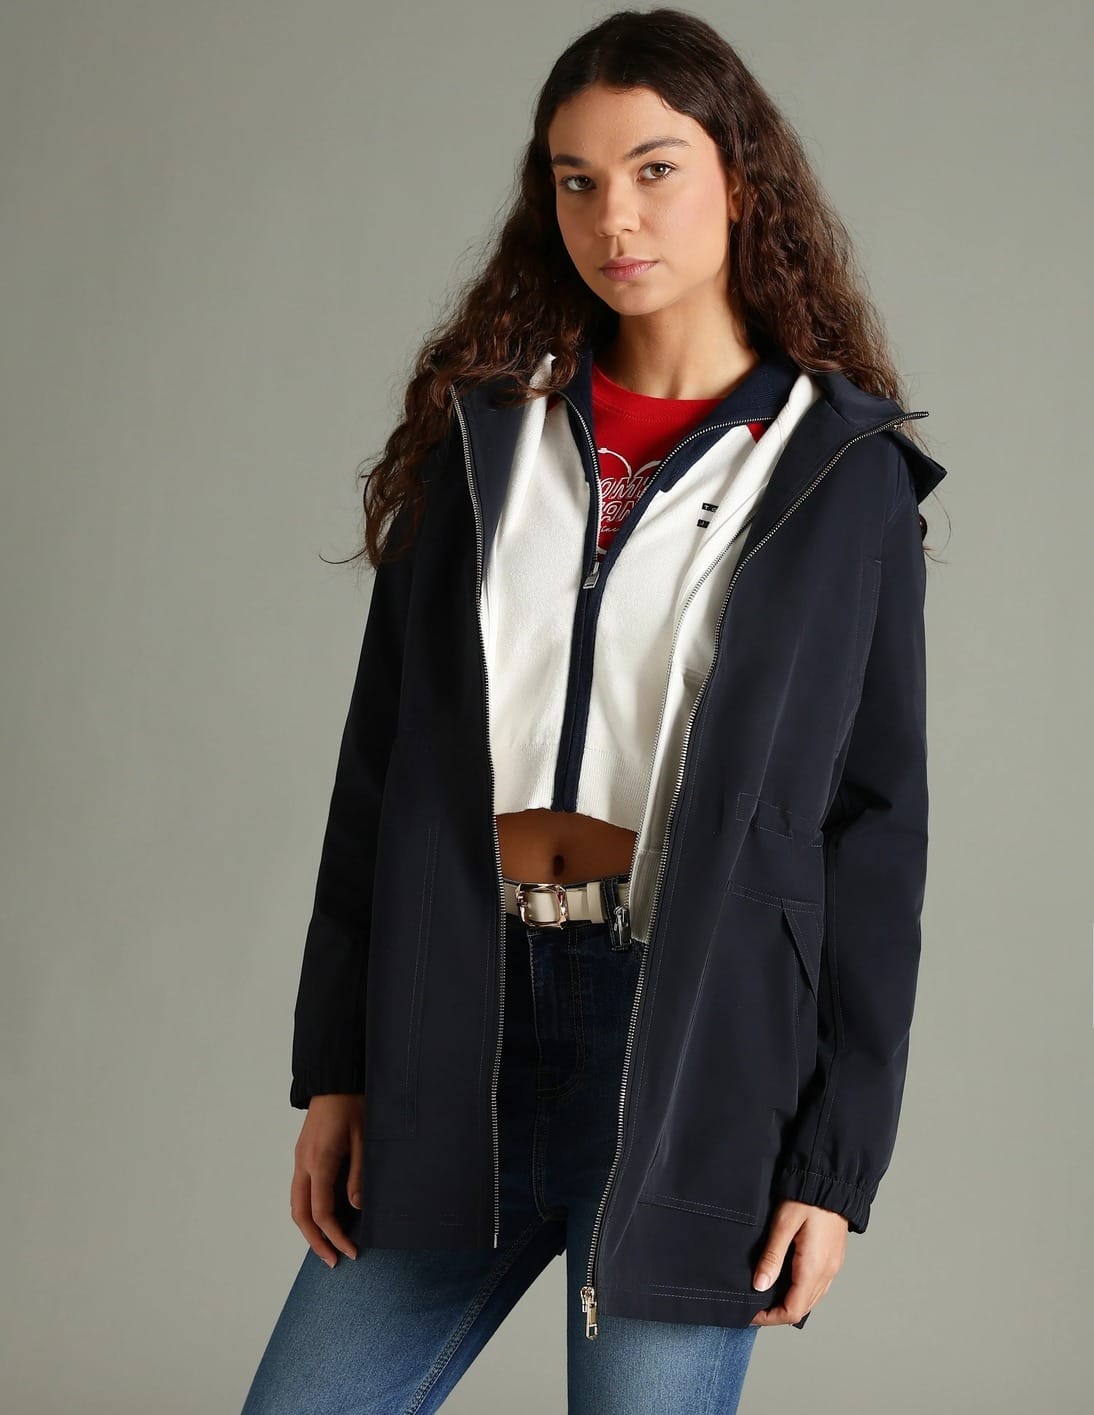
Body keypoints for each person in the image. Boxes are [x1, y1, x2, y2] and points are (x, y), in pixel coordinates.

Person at [241, 8, 948, 1412]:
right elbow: (380, 767)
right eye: (576, 180)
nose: (613, 217)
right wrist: (337, 1068)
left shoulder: (836, 472)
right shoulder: (485, 439)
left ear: (740, 181)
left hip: (694, 1050)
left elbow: (875, 834)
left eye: (653, 169)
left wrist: (833, 1165)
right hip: (457, 1018)